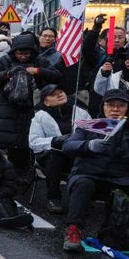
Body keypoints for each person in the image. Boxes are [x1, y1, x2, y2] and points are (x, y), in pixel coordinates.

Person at [61, 88, 129, 252]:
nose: (115, 109)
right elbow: (67, 146)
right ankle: (73, 231)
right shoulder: (91, 126)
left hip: (119, 178)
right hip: (89, 175)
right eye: (110, 105)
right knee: (83, 184)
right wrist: (88, 145)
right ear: (103, 107)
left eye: (120, 105)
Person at [0, 32, 61, 174]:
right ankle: (13, 179)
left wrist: (38, 71)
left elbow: (57, 76)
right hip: (8, 110)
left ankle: (26, 176)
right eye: (20, 53)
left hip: (32, 109)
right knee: (12, 146)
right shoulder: (5, 61)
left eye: (26, 53)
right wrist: (8, 74)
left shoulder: (40, 61)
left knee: (29, 144)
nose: (23, 56)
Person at [28, 84, 89, 213]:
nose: (60, 94)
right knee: (54, 158)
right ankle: (53, 198)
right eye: (53, 94)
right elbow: (33, 142)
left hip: (75, 153)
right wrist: (54, 141)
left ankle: (84, 197)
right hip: (51, 156)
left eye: (61, 91)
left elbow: (91, 132)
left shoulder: (80, 112)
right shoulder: (39, 116)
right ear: (46, 101)